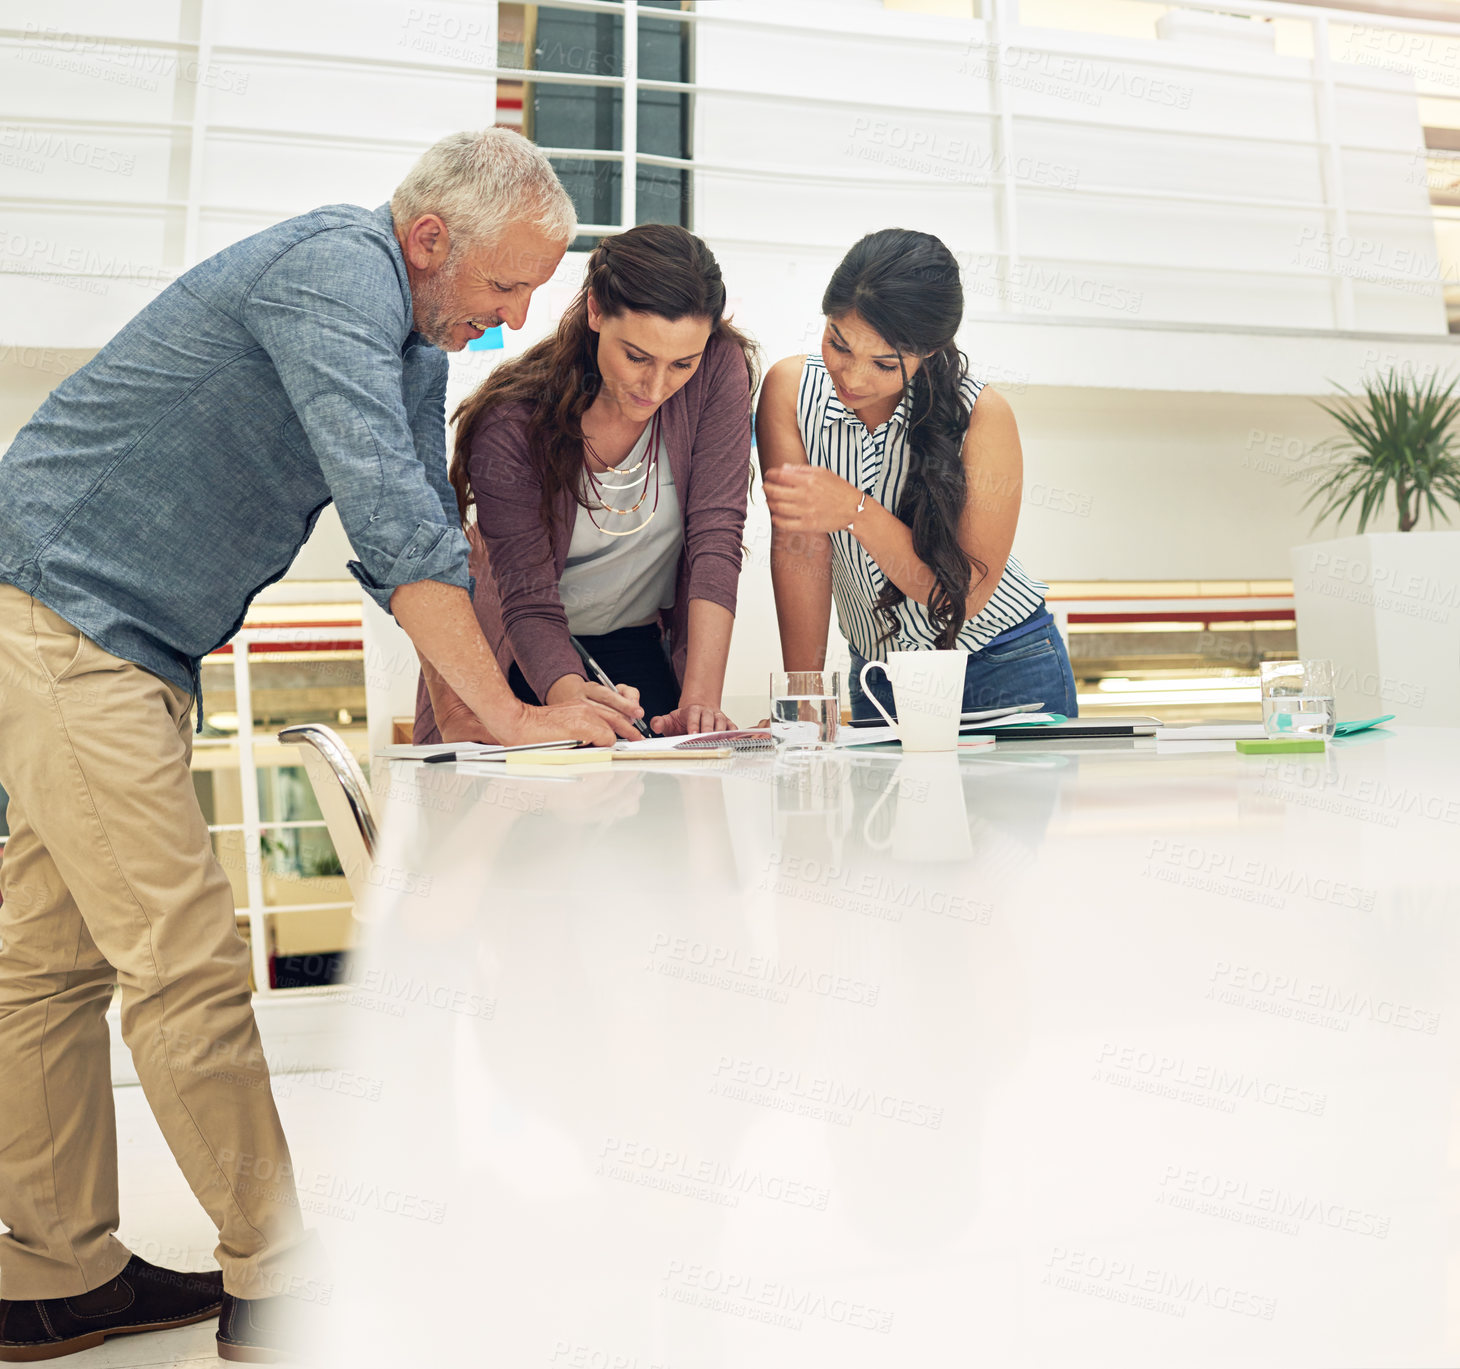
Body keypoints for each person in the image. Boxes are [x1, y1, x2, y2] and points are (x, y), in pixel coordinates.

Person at [0, 129, 637, 1366]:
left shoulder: (406, 334)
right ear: (430, 239)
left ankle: (50, 1273)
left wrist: (505, 700)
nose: (510, 325)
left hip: (117, 636)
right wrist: (509, 716)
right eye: (505, 290)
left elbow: (412, 521)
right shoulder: (333, 273)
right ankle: (280, 1279)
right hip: (64, 615)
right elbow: (390, 518)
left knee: (46, 961)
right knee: (182, 956)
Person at [414, 223, 758, 745]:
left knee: (666, 806)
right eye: (637, 357)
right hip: (518, 654)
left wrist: (701, 706)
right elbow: (527, 599)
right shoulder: (512, 424)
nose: (656, 386)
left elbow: (717, 537)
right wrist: (570, 704)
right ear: (595, 310)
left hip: (635, 643)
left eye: (681, 363)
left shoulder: (717, 371)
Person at [756, 228, 1078, 721]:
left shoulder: (983, 415)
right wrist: (806, 699)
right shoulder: (788, 390)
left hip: (1001, 665)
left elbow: (959, 601)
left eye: (885, 364)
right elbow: (801, 549)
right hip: (879, 674)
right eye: (838, 345)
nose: (853, 378)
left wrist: (855, 511)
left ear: (929, 350)